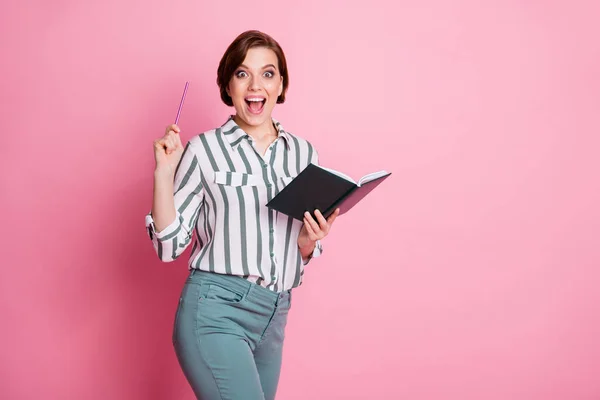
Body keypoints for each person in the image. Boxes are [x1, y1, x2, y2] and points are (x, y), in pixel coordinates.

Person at [145, 30, 339, 400]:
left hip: (275, 316)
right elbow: (169, 248)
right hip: (216, 312)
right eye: (242, 73)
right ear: (228, 85)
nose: (256, 85)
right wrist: (163, 174)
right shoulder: (205, 150)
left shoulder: (303, 154)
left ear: (281, 83)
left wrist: (306, 243)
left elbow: (294, 250)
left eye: (268, 73)